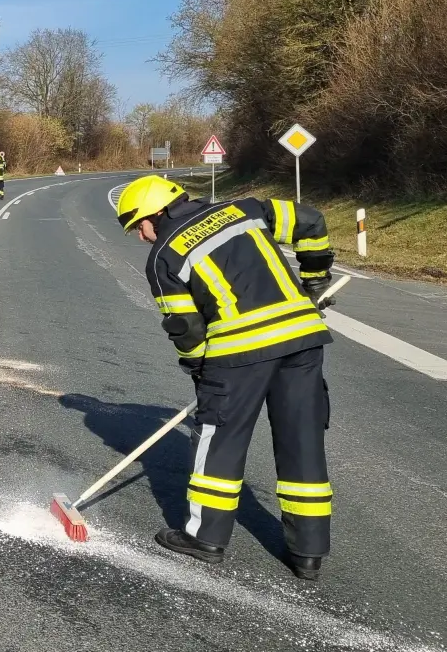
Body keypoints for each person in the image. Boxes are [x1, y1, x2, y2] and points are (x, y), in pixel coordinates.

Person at [115, 175, 336, 581]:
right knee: (302, 439)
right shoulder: (245, 209)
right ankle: (309, 553)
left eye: (137, 225)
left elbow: (186, 328)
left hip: (238, 354)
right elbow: (311, 221)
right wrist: (316, 278)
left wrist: (200, 371)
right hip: (302, 340)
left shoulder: (165, 255)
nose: (141, 236)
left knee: (220, 440)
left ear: (154, 213)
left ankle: (206, 538)